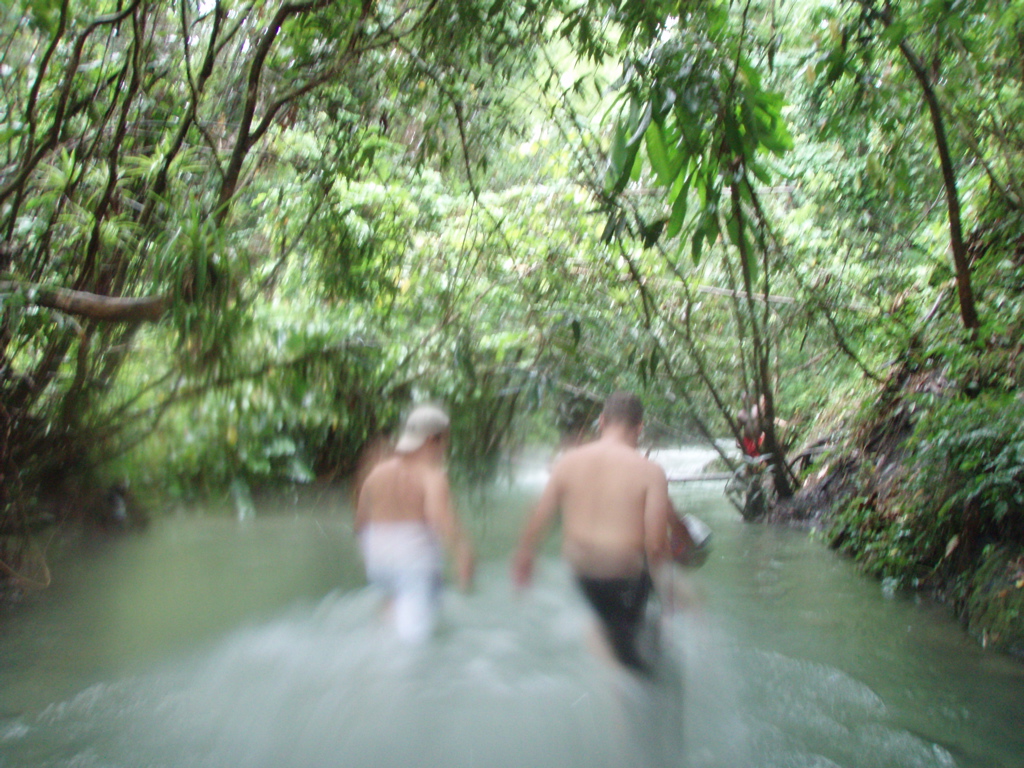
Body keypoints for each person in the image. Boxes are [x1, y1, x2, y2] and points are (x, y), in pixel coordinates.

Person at [512, 391, 671, 675]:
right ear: (639, 428)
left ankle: (604, 646)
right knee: (641, 657)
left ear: (601, 421)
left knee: (613, 630)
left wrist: (525, 556)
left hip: (582, 574)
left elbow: (541, 515)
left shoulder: (568, 462)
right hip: (622, 576)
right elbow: (656, 545)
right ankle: (626, 678)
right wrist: (668, 591)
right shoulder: (650, 472)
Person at [355, 404, 474, 643]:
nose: (445, 448)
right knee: (414, 640)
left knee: (393, 613)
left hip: (377, 556)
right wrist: (463, 554)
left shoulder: (376, 472)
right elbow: (438, 517)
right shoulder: (431, 476)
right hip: (413, 558)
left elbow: (361, 522)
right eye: (444, 441)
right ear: (432, 440)